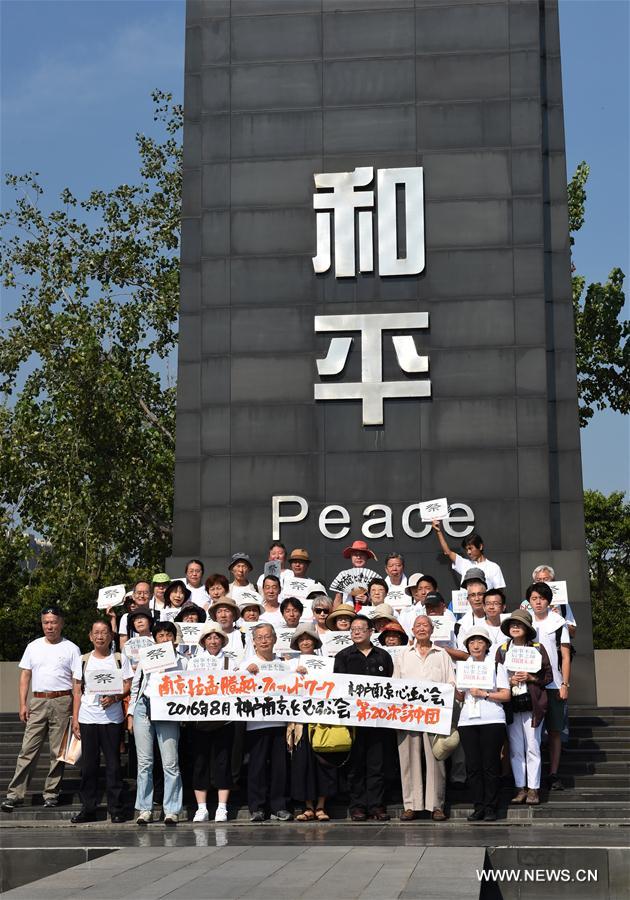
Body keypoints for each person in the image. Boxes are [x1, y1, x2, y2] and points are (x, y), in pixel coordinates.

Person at [1, 606, 81, 812]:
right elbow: (25, 676)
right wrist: (22, 703)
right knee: (28, 750)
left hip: (63, 701)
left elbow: (76, 683)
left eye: (53, 622)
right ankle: (15, 794)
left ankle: (51, 793)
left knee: (58, 752)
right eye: (46, 622)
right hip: (38, 701)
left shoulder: (71, 648)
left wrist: (75, 712)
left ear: (61, 623)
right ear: (42, 624)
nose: (50, 626)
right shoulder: (33, 646)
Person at [70, 620, 132, 823]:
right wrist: (76, 718)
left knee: (114, 765)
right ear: (90, 636)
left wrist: (115, 697)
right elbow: (77, 691)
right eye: (96, 632)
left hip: (112, 719)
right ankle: (88, 808)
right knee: (89, 766)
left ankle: (116, 809)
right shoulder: (82, 660)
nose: (100, 636)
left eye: (104, 632)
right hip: (88, 717)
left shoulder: (120, 659)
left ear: (111, 635)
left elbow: (128, 685)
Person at [394, 615, 455, 821]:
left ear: (432, 629)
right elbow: (394, 686)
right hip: (408, 714)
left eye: (425, 625)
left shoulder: (442, 654)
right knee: (408, 759)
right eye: (418, 625)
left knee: (436, 758)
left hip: (435, 715)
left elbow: (451, 683)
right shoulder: (403, 655)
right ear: (412, 629)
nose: (421, 628)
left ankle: (436, 805)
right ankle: (411, 804)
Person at [334, 616, 394, 821]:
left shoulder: (383, 656)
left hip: (379, 720)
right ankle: (358, 806)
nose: (356, 632)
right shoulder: (343, 656)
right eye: (353, 629)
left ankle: (377, 805)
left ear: (371, 631)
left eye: (361, 628)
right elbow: (338, 688)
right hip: (354, 721)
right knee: (356, 765)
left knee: (377, 764)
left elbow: (391, 686)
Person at [128, 620, 185, 826]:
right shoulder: (146, 659)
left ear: (174, 638)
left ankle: (172, 810)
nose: (165, 638)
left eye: (168, 635)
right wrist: (130, 714)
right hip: (144, 706)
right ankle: (145, 809)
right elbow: (136, 686)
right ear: (155, 639)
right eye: (160, 635)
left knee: (170, 762)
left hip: (168, 710)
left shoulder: (183, 661)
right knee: (145, 763)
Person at [496, 609, 552, 806]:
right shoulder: (502, 649)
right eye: (512, 624)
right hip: (512, 704)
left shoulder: (537, 648)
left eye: (519, 624)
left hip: (532, 704)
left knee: (533, 746)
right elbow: (495, 678)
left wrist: (530, 678)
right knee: (516, 749)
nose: (515, 627)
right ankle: (520, 787)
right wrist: (508, 681)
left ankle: (534, 789)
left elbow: (548, 677)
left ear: (527, 628)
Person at [455, 625, 511, 822]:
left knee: (490, 764)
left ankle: (491, 807)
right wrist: (457, 690)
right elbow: (460, 696)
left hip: (492, 719)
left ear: (487, 645)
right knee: (473, 766)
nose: (475, 645)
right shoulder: (462, 667)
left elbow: (506, 694)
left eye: (480, 641)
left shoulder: (496, 666)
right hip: (467, 720)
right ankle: (478, 806)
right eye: (471, 642)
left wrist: (485, 694)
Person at [239, 623, 292, 822]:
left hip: (279, 722)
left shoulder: (284, 664)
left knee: (280, 768)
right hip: (256, 724)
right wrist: (244, 674)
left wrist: (300, 671)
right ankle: (257, 807)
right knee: (257, 767)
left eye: (267, 636)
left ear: (275, 639)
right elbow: (234, 688)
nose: (263, 640)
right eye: (259, 637)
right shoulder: (247, 664)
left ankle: (279, 806)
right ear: (253, 642)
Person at [288, 625, 337, 821]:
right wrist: (294, 675)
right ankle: (307, 807)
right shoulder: (290, 663)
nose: (305, 642)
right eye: (301, 639)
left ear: (315, 642)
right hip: (300, 721)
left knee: (323, 762)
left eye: (309, 639)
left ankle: (321, 806)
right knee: (302, 763)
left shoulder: (327, 663)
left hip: (322, 718)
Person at [526, 582, 572, 791]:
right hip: (531, 683)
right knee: (529, 731)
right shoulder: (523, 622)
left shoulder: (558, 622)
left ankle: (553, 773)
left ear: (548, 601)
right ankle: (528, 776)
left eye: (542, 598)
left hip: (553, 683)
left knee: (554, 730)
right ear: (529, 601)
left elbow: (565, 655)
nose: (538, 602)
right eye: (534, 598)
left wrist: (565, 683)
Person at [190, 624, 233, 822]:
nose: (213, 641)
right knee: (200, 763)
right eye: (209, 638)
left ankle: (222, 807)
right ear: (203, 641)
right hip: (200, 721)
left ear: (222, 641)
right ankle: (202, 808)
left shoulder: (229, 661)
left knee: (222, 762)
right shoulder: (194, 662)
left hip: (223, 720)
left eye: (217, 638)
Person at [432, 521, 506, 589]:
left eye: (470, 548)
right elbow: (448, 552)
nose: (468, 552)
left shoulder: (493, 567)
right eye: (467, 549)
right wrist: (439, 532)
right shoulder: (464, 564)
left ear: (480, 546)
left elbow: (499, 591)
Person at [520, 565, 577, 638]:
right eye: (538, 580)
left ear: (553, 580)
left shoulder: (563, 604)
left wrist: (561, 620)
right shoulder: (526, 604)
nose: (542, 582)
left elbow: (573, 633)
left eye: (546, 579)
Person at [330, 539, 379, 606]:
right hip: (347, 613)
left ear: (367, 557)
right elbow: (338, 599)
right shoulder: (343, 575)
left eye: (362, 555)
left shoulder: (374, 577)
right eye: (355, 555)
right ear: (351, 557)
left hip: (368, 614)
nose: (358, 557)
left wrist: (369, 600)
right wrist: (335, 615)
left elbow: (380, 600)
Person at [208, 596, 245, 661]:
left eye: (227, 611)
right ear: (215, 616)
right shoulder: (207, 637)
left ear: (233, 615)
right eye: (219, 612)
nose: (223, 615)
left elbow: (249, 661)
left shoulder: (244, 637)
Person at [118, 581, 152, 651]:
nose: (142, 596)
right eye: (139, 593)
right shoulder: (126, 618)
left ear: (151, 595)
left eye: (145, 593)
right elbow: (123, 644)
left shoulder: (159, 615)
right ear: (133, 596)